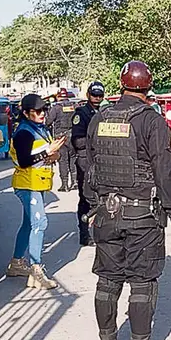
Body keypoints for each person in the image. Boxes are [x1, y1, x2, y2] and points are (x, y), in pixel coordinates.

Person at [84, 61, 171, 340]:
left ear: (121, 84)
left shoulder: (99, 118)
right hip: (141, 217)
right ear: (148, 87)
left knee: (107, 282)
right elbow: (164, 171)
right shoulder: (152, 121)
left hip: (106, 214)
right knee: (142, 284)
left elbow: (90, 165)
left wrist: (94, 206)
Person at [7, 94, 68, 290]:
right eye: (37, 111)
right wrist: (48, 152)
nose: (42, 114)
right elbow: (24, 161)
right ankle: (36, 270)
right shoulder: (24, 133)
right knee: (39, 223)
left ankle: (16, 263)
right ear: (26, 113)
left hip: (37, 183)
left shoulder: (40, 129)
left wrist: (54, 155)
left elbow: (45, 155)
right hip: (28, 185)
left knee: (29, 224)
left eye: (44, 110)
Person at [71, 81, 106, 246]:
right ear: (88, 95)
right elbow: (77, 141)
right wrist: (98, 141)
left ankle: (103, 232)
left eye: (100, 95)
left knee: (104, 198)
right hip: (85, 161)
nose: (97, 98)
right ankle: (84, 234)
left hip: (102, 161)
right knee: (86, 198)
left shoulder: (105, 112)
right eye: (94, 95)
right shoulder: (81, 113)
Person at [46, 92, 78, 191]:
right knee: (73, 158)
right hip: (73, 135)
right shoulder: (74, 106)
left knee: (63, 160)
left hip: (60, 137)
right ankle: (75, 182)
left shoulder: (56, 108)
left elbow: (48, 122)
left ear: (59, 97)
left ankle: (65, 184)